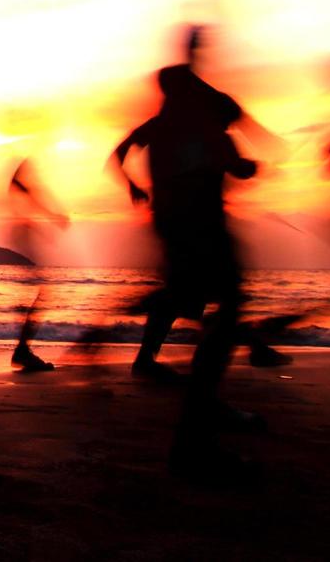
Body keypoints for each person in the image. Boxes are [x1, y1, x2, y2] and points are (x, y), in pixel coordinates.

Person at [109, 28, 265, 478]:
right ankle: (197, 432)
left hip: (176, 227)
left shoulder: (165, 124)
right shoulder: (198, 125)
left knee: (188, 298)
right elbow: (229, 165)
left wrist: (134, 185)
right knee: (222, 303)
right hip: (199, 229)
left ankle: (198, 404)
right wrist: (244, 165)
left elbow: (121, 150)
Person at [7, 159, 68, 372]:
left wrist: (47, 223)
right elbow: (27, 195)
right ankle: (22, 351)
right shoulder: (20, 183)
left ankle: (23, 350)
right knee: (38, 297)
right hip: (23, 238)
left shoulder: (21, 185)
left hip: (23, 237)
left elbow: (28, 200)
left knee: (35, 298)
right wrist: (52, 217)